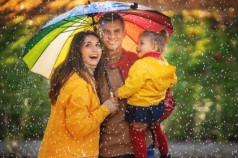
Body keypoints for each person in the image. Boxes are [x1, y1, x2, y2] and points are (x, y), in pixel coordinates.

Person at [38, 31, 119, 157]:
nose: (95, 49)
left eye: (98, 45)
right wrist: (106, 108)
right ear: (78, 52)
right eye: (88, 45)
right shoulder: (79, 85)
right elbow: (79, 127)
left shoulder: (80, 78)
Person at [96, 12, 155, 158]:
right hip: (107, 149)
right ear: (99, 33)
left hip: (141, 145)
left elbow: (164, 98)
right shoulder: (93, 65)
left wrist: (149, 118)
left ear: (124, 33)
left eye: (116, 31)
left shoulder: (139, 61)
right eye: (106, 31)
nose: (112, 36)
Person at [116, 30, 177, 158]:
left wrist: (120, 93)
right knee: (157, 129)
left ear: (154, 47)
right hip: (157, 106)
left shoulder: (141, 64)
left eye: (142, 43)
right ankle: (165, 153)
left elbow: (132, 85)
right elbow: (173, 80)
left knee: (137, 135)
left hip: (140, 107)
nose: (138, 46)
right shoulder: (163, 62)